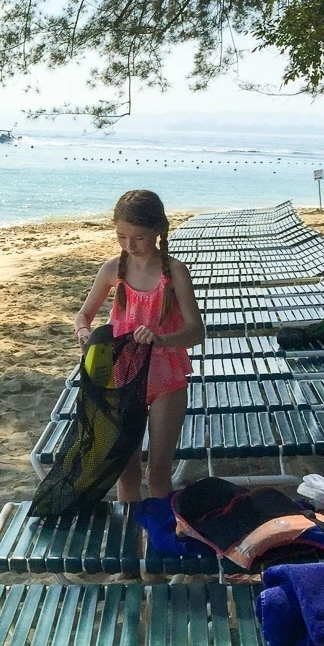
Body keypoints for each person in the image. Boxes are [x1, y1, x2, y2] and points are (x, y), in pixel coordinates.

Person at [72, 189, 204, 501]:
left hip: (165, 379)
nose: (130, 246)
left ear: (159, 231)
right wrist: (83, 333)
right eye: (121, 236)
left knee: (158, 473)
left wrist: (162, 339)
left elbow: (197, 332)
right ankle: (130, 544)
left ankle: (160, 541)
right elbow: (83, 315)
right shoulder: (111, 270)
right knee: (125, 472)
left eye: (139, 238)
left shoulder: (175, 272)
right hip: (120, 378)